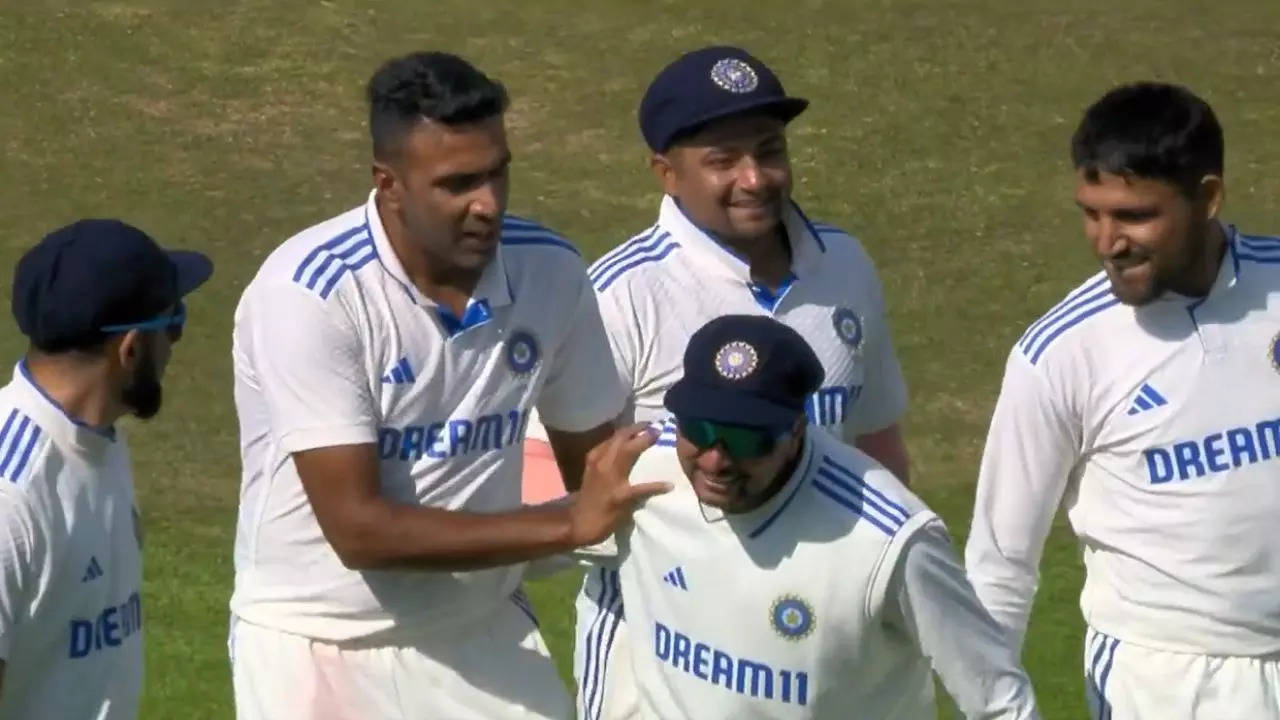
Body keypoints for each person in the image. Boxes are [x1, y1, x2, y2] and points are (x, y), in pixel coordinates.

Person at [228, 51, 667, 720]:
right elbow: (359, 532)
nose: (486, 204)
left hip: (481, 629)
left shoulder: (549, 270)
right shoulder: (311, 293)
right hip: (317, 638)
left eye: (498, 174)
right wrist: (563, 524)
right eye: (457, 184)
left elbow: (601, 465)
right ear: (389, 183)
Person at [522, 45, 913, 720]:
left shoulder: (845, 265)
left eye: (769, 150)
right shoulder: (621, 294)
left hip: (813, 631)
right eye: (723, 160)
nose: (756, 177)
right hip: (658, 648)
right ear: (666, 173)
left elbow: (877, 444)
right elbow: (567, 483)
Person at [965, 81, 1280, 719]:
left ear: (1208, 198)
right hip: (1168, 682)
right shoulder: (1061, 352)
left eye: (1134, 215)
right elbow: (1001, 563)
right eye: (1092, 212)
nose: (1107, 241)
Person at [576, 314, 1039, 719]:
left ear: (796, 429)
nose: (716, 460)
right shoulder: (637, 470)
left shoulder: (889, 541)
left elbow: (998, 699)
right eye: (699, 429)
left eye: (745, 440)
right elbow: (546, 552)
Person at [0, 219, 213, 719]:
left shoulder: (99, 440)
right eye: (174, 321)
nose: (178, 341)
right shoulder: (12, 499)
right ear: (131, 348)